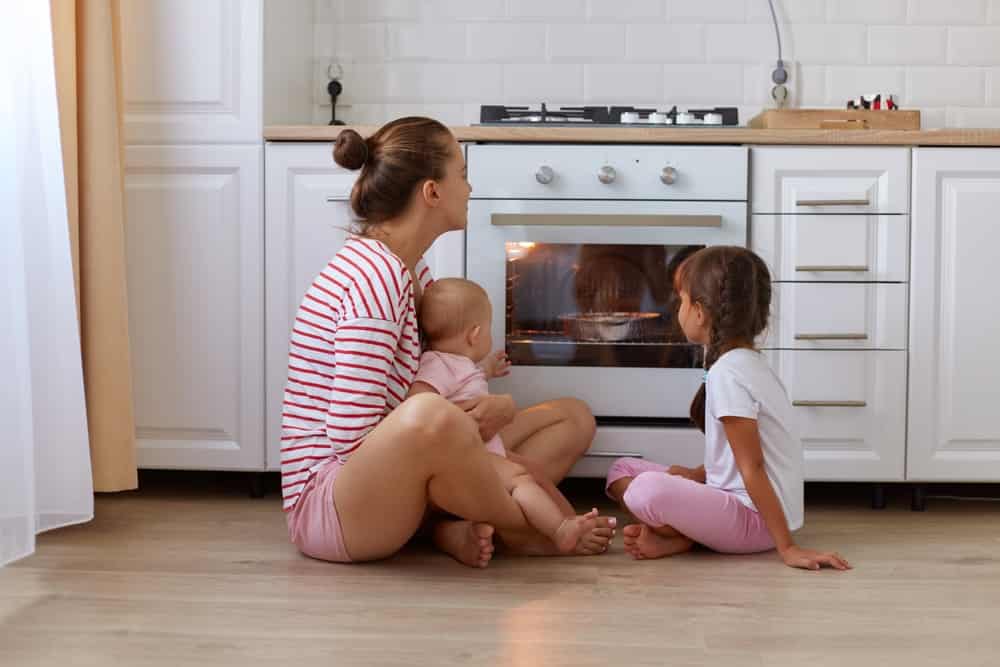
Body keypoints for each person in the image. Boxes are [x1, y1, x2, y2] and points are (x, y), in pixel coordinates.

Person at [280, 117, 605, 568]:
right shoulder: (377, 279)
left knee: (572, 417)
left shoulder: (412, 270)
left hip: (396, 473)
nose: (470, 189)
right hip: (333, 509)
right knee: (435, 418)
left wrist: (489, 419)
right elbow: (349, 436)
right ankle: (532, 531)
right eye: (463, 176)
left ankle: (452, 527)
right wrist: (471, 444)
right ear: (432, 193)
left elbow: (431, 382)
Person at [605, 246, 851, 571]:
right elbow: (743, 457)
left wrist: (788, 548)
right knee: (622, 471)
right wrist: (697, 475)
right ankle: (687, 534)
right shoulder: (746, 364)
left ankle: (683, 538)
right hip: (744, 506)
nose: (678, 310)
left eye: (681, 300)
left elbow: (754, 467)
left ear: (700, 312)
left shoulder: (728, 374)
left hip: (755, 520)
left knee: (644, 490)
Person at [410, 277, 612, 555]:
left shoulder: (454, 363)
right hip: (467, 457)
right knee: (520, 481)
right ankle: (557, 531)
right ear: (475, 334)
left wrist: (485, 371)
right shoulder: (436, 365)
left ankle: (561, 524)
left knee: (539, 461)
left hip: (485, 448)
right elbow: (418, 406)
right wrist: (459, 422)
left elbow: (460, 383)